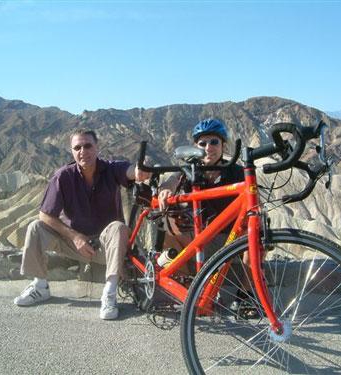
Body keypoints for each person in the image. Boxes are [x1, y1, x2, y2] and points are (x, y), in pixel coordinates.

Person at [14, 128, 150, 320]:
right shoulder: (63, 177)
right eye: (77, 147)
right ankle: (40, 285)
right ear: (71, 151)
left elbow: (129, 171)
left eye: (87, 146)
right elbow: (45, 215)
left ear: (97, 148)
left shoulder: (111, 169)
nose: (82, 151)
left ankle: (110, 294)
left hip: (106, 247)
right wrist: (75, 237)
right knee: (35, 227)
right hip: (73, 244)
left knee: (118, 228)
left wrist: (139, 172)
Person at [158, 118, 244, 268]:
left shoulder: (236, 172)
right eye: (202, 144)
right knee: (166, 227)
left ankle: (247, 290)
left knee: (257, 229)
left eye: (214, 142)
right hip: (200, 238)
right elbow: (172, 180)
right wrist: (166, 189)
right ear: (195, 147)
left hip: (231, 239)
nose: (208, 147)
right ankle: (186, 285)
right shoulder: (190, 171)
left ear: (223, 145)